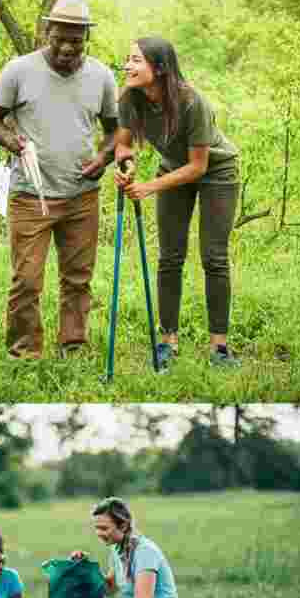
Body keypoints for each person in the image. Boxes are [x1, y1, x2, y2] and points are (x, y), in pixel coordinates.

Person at [0, 0, 119, 359]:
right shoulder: (18, 71)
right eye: (59, 38)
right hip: (31, 195)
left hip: (82, 196)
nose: (67, 47)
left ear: (86, 38)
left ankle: (72, 345)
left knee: (78, 277)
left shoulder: (102, 76)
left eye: (75, 40)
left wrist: (104, 158)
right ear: (47, 32)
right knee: (26, 281)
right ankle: (25, 351)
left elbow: (116, 131)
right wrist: (12, 141)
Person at [114, 36, 242, 368]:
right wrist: (126, 168)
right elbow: (123, 146)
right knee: (170, 257)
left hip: (217, 172)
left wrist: (149, 187)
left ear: (159, 67)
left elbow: (198, 167)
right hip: (172, 169)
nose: (128, 65)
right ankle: (167, 342)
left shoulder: (191, 102)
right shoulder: (130, 98)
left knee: (214, 257)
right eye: (127, 59)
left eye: (136, 60)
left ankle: (219, 349)